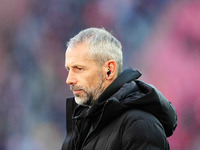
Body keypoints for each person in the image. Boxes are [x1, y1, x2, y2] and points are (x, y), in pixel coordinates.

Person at [62, 27, 177, 150]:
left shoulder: (140, 125)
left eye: (79, 68)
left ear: (109, 70)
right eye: (69, 69)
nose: (69, 80)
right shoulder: (82, 124)